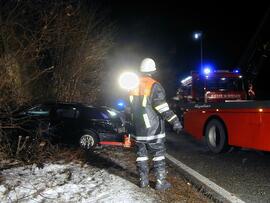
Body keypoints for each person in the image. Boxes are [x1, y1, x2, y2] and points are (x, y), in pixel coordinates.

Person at [128, 58, 182, 190]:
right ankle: (160, 183)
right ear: (153, 70)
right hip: (153, 129)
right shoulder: (154, 85)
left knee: (141, 156)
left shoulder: (132, 85)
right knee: (158, 155)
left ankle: (143, 182)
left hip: (138, 129)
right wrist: (175, 121)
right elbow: (162, 108)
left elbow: (129, 108)